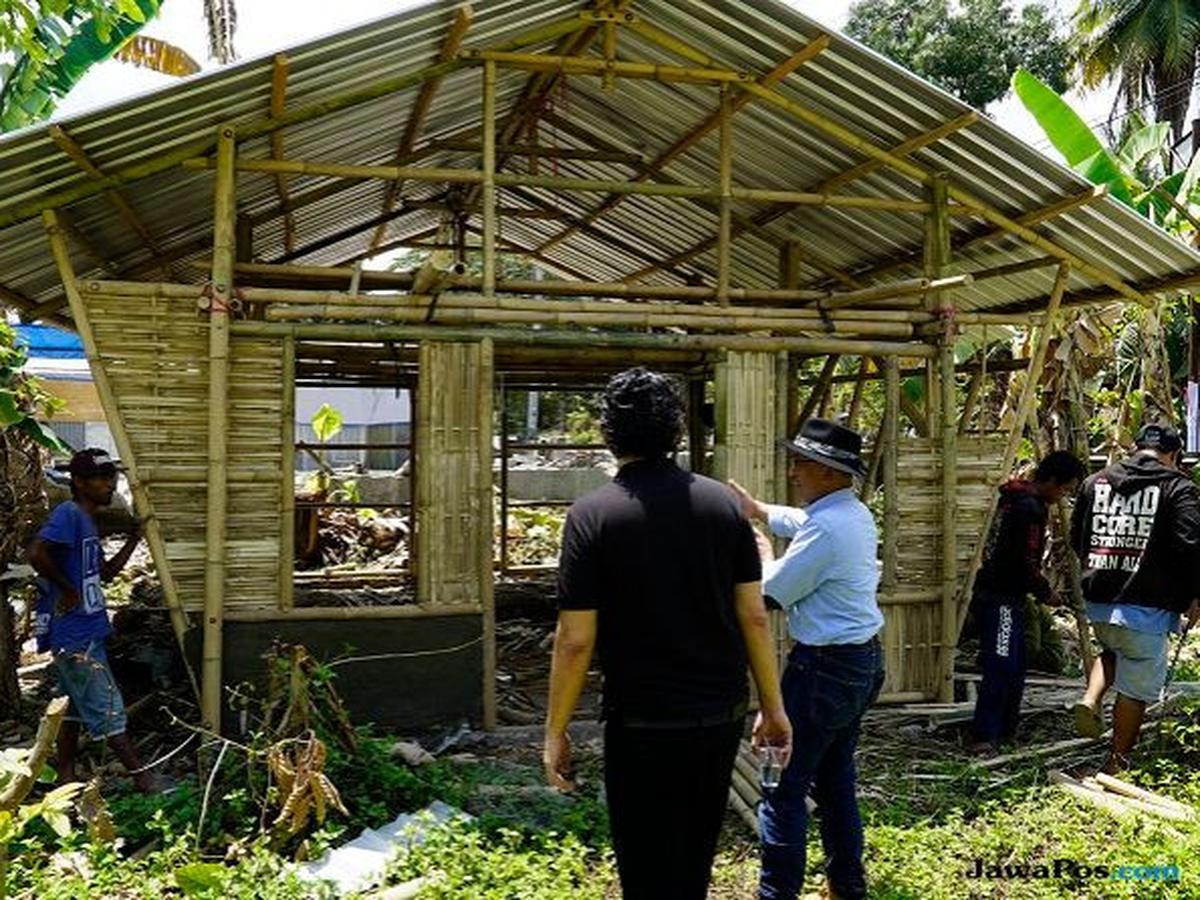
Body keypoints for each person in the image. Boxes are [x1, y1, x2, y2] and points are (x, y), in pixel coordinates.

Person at [543, 367, 792, 900]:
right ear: (676, 432)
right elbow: (753, 615)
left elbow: (575, 639)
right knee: (694, 859)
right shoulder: (723, 505)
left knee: (644, 865)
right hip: (717, 717)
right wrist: (772, 707)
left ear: (607, 433)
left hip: (641, 723)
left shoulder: (591, 516)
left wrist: (555, 729)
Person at [730, 418, 885, 900]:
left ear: (827, 472)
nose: (793, 472)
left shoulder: (830, 529)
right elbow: (802, 522)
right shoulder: (851, 514)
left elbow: (769, 596)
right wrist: (760, 511)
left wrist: (755, 553)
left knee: (782, 786)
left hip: (822, 671)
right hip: (859, 665)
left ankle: (777, 894)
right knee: (835, 778)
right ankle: (846, 885)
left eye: (801, 464)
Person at [1070, 423, 1200, 773]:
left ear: (1136, 448)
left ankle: (1090, 697)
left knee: (1113, 650)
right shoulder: (1177, 487)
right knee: (1136, 688)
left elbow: (1076, 538)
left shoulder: (1094, 482)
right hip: (1147, 606)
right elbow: (1191, 547)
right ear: (1172, 455)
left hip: (1099, 601)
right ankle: (1117, 762)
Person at [27, 448, 156, 793]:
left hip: (85, 629)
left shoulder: (88, 522)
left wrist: (134, 539)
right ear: (79, 482)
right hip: (74, 632)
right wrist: (67, 589)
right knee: (106, 707)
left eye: (110, 476)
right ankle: (144, 780)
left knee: (70, 709)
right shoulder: (69, 514)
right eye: (99, 478)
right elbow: (36, 552)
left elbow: (107, 574)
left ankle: (66, 778)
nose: (108, 483)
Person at [969, 451, 1086, 755]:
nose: (1063, 495)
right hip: (1001, 598)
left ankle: (1005, 730)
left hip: (1003, 594)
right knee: (1003, 664)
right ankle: (985, 735)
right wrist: (1044, 590)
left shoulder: (1013, 497)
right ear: (1049, 480)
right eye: (1064, 488)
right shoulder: (1027, 508)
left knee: (1016, 664)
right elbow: (1022, 559)